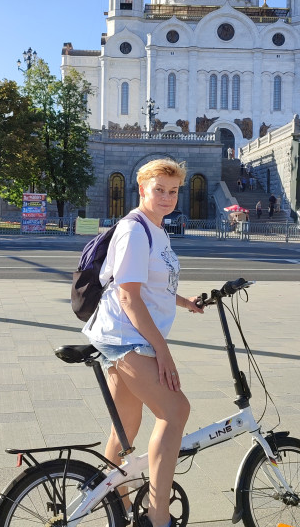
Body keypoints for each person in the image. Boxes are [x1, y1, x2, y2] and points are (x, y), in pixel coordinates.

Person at [82, 158, 204, 527]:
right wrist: (163, 353)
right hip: (125, 338)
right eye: (159, 190)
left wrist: (184, 302)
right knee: (175, 411)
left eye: (173, 191)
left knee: (127, 426)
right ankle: (157, 515)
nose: (167, 198)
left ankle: (116, 506)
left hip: (123, 334)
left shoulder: (157, 228)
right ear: (142, 189)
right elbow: (128, 297)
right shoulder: (135, 230)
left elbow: (152, 284)